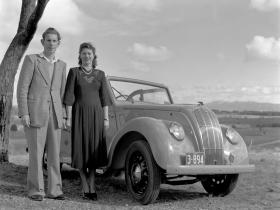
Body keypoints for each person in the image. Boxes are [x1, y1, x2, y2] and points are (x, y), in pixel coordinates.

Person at [17, 27, 66, 201]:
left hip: (55, 115)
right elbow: (22, 88)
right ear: (42, 41)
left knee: (54, 155)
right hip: (35, 113)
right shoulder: (31, 60)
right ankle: (36, 190)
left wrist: (64, 116)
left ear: (58, 43)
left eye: (54, 41)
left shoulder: (61, 65)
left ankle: (55, 190)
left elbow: (61, 93)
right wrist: (24, 114)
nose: (51, 43)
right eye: (48, 40)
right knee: (36, 155)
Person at [63, 42, 111, 200]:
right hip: (79, 116)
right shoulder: (74, 72)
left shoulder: (100, 74)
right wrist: (68, 118)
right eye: (84, 53)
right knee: (81, 152)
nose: (87, 56)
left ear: (94, 56)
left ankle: (92, 184)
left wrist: (105, 118)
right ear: (80, 56)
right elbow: (69, 97)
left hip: (97, 117)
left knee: (93, 153)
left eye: (89, 53)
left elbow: (105, 99)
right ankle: (85, 186)